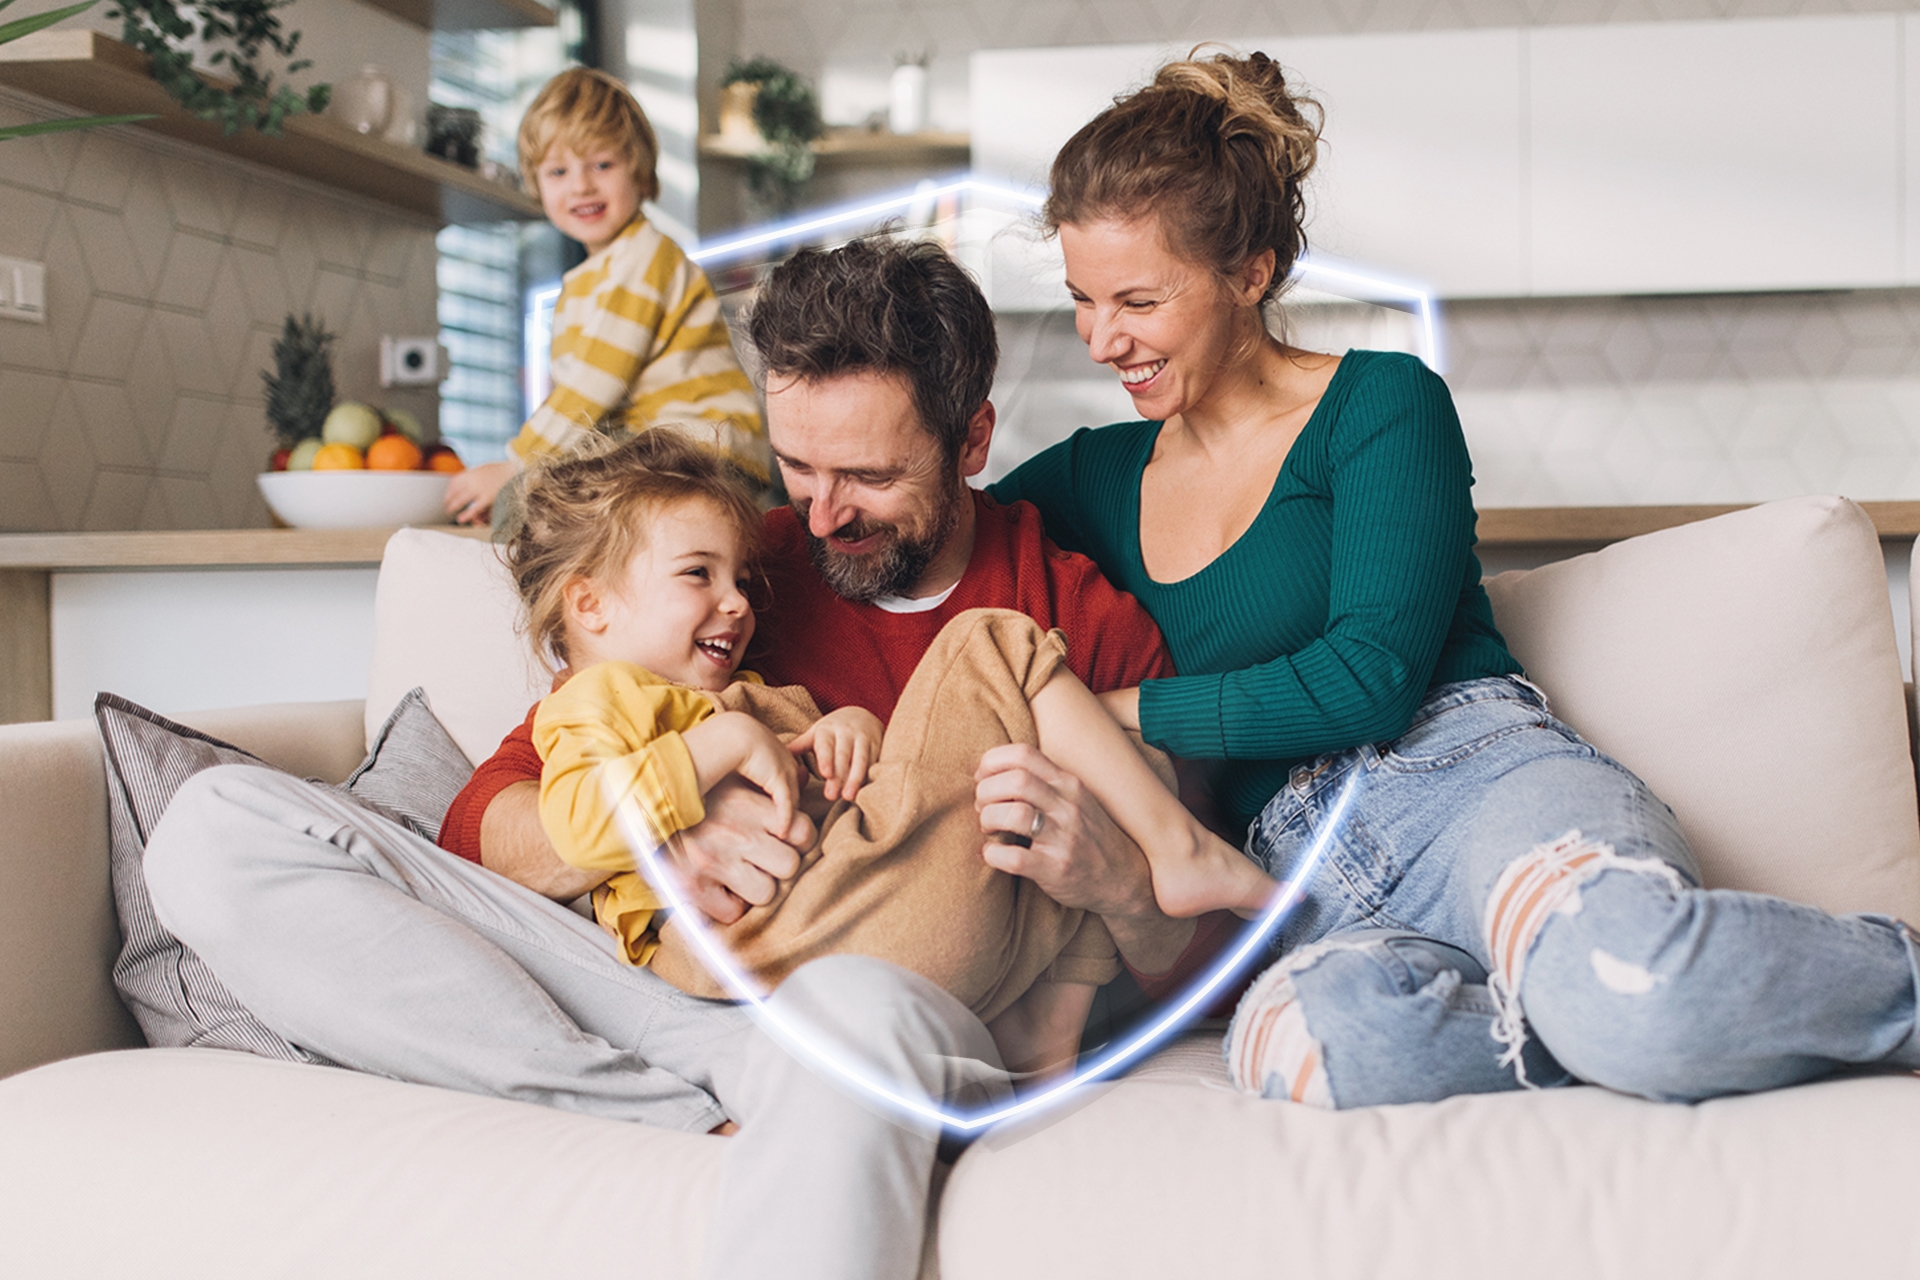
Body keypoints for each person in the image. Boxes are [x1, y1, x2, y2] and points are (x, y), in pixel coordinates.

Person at [143, 235, 1187, 1280]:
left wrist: (1116, 883)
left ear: (971, 440)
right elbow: (483, 826)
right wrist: (657, 829)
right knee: (212, 826)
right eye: (799, 466)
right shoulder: (730, 575)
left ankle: (771, 1081)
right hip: (648, 986)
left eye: (867, 475)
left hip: (858, 1002)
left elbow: (1200, 952)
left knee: (853, 1014)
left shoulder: (1076, 621)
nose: (821, 513)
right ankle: (664, 1105)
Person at [987, 48, 1920, 1111]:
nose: (1103, 339)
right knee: (1301, 1052)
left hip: (1472, 784)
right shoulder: (1091, 477)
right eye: (1081, 300)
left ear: (1248, 271)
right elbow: (931, 553)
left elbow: (1371, 675)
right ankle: (1580, 1016)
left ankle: (1798, 986)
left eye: (1139, 300)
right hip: (1305, 887)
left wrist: (1112, 712)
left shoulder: (1381, 405)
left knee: (1634, 990)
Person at [490, 430, 1270, 1038]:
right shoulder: (599, 697)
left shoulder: (1071, 594)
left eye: (869, 474)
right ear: (589, 607)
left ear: (968, 441)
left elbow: (1217, 976)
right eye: (700, 576)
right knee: (993, 642)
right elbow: (570, 821)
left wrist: (851, 728)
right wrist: (717, 759)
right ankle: (1182, 853)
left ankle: (1044, 1040)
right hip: (785, 940)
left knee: (1078, 780)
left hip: (872, 928)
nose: (738, 604)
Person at [444, 67, 768, 529]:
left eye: (601, 165)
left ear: (640, 171)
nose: (581, 186)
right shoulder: (589, 279)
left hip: (704, 449)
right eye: (558, 171)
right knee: (532, 502)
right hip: (662, 446)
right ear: (537, 183)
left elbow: (590, 391)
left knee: (522, 503)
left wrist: (516, 464)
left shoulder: (643, 258)